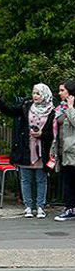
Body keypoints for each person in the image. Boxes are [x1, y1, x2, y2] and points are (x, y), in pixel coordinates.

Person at [0, 84, 56, 219]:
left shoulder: (52, 111)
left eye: (38, 93)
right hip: (25, 148)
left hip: (41, 149)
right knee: (25, 178)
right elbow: (12, 111)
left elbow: (53, 133)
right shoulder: (27, 106)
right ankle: (28, 206)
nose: (35, 96)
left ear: (45, 95)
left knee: (41, 179)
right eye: (34, 93)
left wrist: (42, 134)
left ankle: (40, 207)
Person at [50, 80, 75, 221]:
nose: (59, 93)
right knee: (67, 180)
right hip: (63, 149)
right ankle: (70, 207)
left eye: (62, 90)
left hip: (73, 149)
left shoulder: (70, 108)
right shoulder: (61, 107)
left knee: (71, 180)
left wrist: (71, 108)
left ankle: (70, 208)